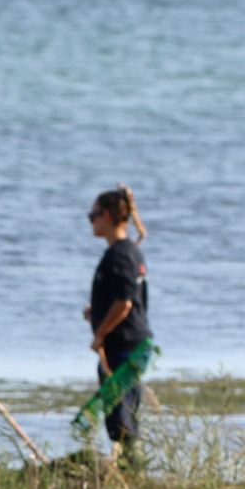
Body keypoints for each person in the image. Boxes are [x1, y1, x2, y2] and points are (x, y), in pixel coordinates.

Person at [81, 185, 153, 458]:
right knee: (121, 413)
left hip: (123, 347)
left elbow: (125, 303)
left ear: (109, 216)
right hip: (130, 343)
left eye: (94, 215)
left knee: (121, 418)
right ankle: (129, 469)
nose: (91, 220)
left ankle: (130, 471)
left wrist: (100, 333)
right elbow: (123, 298)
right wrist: (97, 310)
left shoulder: (121, 254)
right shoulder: (127, 252)